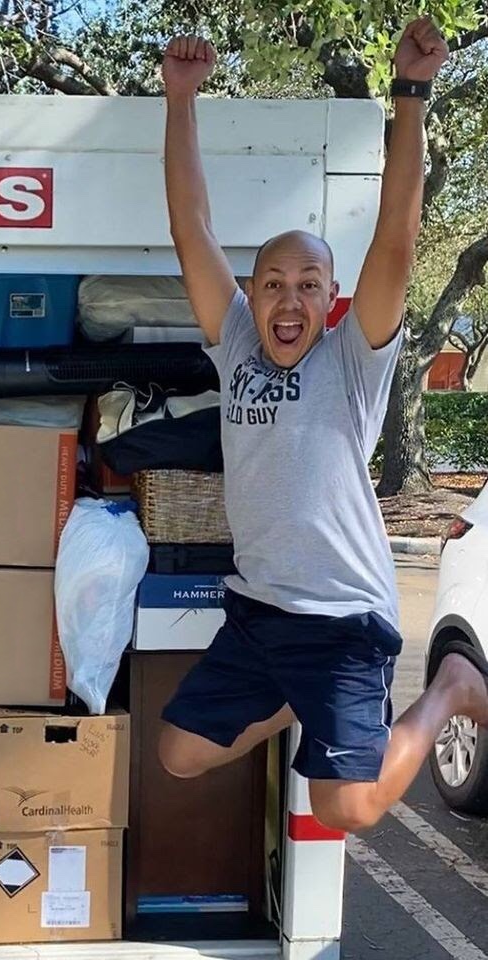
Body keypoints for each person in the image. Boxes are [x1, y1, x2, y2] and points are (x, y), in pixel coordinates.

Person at [158, 17, 487, 834]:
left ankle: (453, 685)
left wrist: (409, 98)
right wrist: (178, 100)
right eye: (273, 283)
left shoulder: (351, 358)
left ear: (331, 298)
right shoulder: (234, 340)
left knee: (349, 808)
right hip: (259, 610)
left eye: (309, 283)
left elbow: (398, 244)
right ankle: (295, 702)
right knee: (179, 752)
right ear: (252, 294)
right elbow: (190, 230)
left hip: (342, 619)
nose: (289, 298)